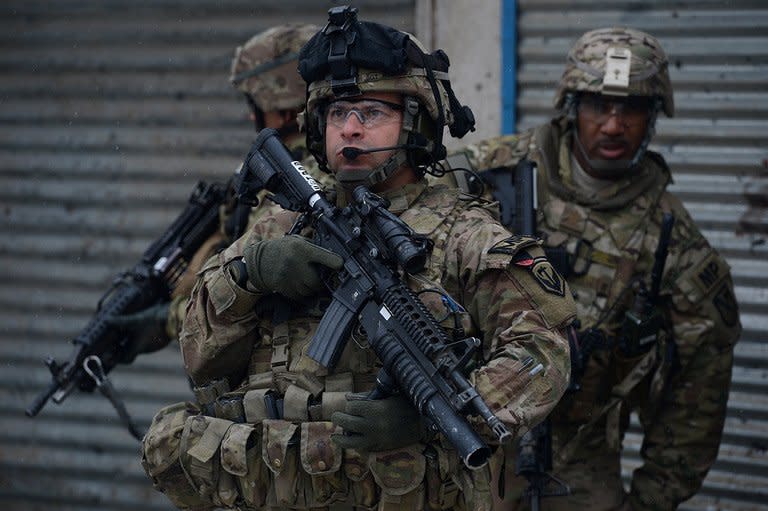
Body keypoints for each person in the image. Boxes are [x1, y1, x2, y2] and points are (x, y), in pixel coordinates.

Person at [141, 7, 575, 511]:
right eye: (336, 114)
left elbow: (544, 355)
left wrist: (431, 416)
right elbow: (200, 360)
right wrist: (247, 275)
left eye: (371, 114)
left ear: (415, 123)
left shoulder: (467, 236)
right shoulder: (279, 223)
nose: (349, 130)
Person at [453, 27, 741, 510]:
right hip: (461, 422)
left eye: (631, 109)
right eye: (598, 106)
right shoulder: (490, 173)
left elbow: (698, 398)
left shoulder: (674, 243)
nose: (612, 126)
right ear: (571, 107)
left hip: (576, 454)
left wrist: (650, 500)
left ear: (652, 117)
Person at [107, 23, 320, 356]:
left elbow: (240, 291)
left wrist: (169, 319)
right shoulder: (279, 165)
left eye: (254, 104)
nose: (252, 115)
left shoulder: (293, 178)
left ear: (279, 104)